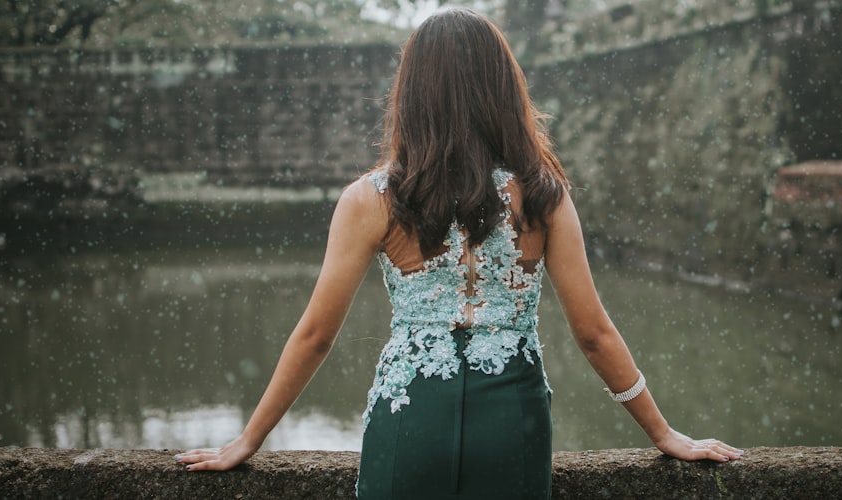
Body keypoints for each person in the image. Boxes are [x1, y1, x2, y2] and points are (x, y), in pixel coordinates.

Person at [174, 7, 743, 498]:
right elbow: (593, 333)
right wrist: (664, 435)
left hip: (409, 417)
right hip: (512, 422)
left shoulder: (370, 199)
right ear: (502, 88)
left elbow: (316, 336)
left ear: (413, 92)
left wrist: (250, 439)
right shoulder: (544, 194)